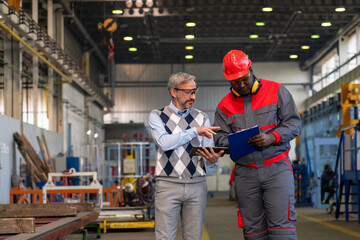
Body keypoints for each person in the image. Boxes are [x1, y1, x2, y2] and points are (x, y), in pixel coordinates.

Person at [214, 50, 301, 240]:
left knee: (282, 232)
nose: (242, 84)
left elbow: (294, 123)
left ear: (251, 69)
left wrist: (274, 137)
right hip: (246, 173)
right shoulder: (224, 106)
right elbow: (219, 138)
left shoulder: (276, 91)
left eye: (244, 79)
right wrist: (234, 141)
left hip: (276, 168)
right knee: (253, 232)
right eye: (236, 82)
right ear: (228, 80)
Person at [149, 72, 224, 240]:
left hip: (197, 185)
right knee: (164, 237)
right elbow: (164, 143)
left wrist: (212, 161)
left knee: (193, 237)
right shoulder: (157, 115)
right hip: (167, 185)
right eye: (189, 92)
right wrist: (194, 131)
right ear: (174, 92)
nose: (193, 96)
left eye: (195, 91)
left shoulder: (202, 117)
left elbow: (208, 152)